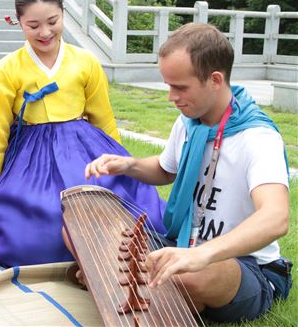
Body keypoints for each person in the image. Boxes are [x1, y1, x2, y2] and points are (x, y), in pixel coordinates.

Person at [0, 0, 166, 267]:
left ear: (63, 14)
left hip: (84, 152)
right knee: (32, 239)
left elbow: (104, 122)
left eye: (53, 21)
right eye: (33, 26)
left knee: (123, 217)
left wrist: (121, 169)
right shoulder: (6, 70)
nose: (45, 32)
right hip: (30, 160)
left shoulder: (86, 62)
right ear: (18, 22)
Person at [85, 23, 291, 323]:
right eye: (168, 85)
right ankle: (152, 288)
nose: (171, 96)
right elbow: (167, 170)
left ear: (215, 80)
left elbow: (276, 217)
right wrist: (128, 165)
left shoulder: (258, 138)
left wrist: (201, 255)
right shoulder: (189, 122)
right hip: (183, 245)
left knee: (189, 274)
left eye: (180, 87)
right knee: (88, 232)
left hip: (244, 267)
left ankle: (134, 287)